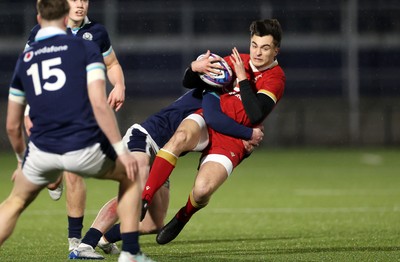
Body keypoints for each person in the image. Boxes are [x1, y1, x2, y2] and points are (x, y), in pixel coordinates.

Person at [68, 51, 265, 259]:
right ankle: (85, 244)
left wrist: (244, 143)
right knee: (135, 189)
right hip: (145, 138)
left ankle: (105, 238)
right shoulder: (210, 93)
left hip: (164, 154)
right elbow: (214, 116)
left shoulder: (225, 99)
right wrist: (249, 134)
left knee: (154, 224)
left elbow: (222, 132)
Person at [0, 0, 154, 261]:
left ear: (39, 19)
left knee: (14, 202)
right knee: (131, 175)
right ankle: (130, 252)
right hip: (79, 143)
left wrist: (20, 161)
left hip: (40, 150)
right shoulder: (84, 46)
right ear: (64, 18)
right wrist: (120, 150)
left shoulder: (27, 58)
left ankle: (74, 238)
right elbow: (97, 102)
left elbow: (11, 126)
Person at [140, 18, 285, 245]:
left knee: (202, 190)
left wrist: (243, 77)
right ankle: (144, 198)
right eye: (254, 45)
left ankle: (183, 215)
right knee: (180, 137)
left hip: (234, 138)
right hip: (208, 121)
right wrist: (195, 68)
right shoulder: (237, 60)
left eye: (265, 48)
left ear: (276, 50)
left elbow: (256, 114)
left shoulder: (276, 79)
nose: (257, 52)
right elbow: (193, 81)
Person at [23, 0, 126, 252]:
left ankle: (77, 241)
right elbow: (27, 66)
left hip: (82, 111)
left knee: (75, 171)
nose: (80, 4)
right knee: (59, 174)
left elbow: (111, 64)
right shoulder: (42, 30)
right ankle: (53, 178)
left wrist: (120, 85)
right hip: (47, 106)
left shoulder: (97, 32)